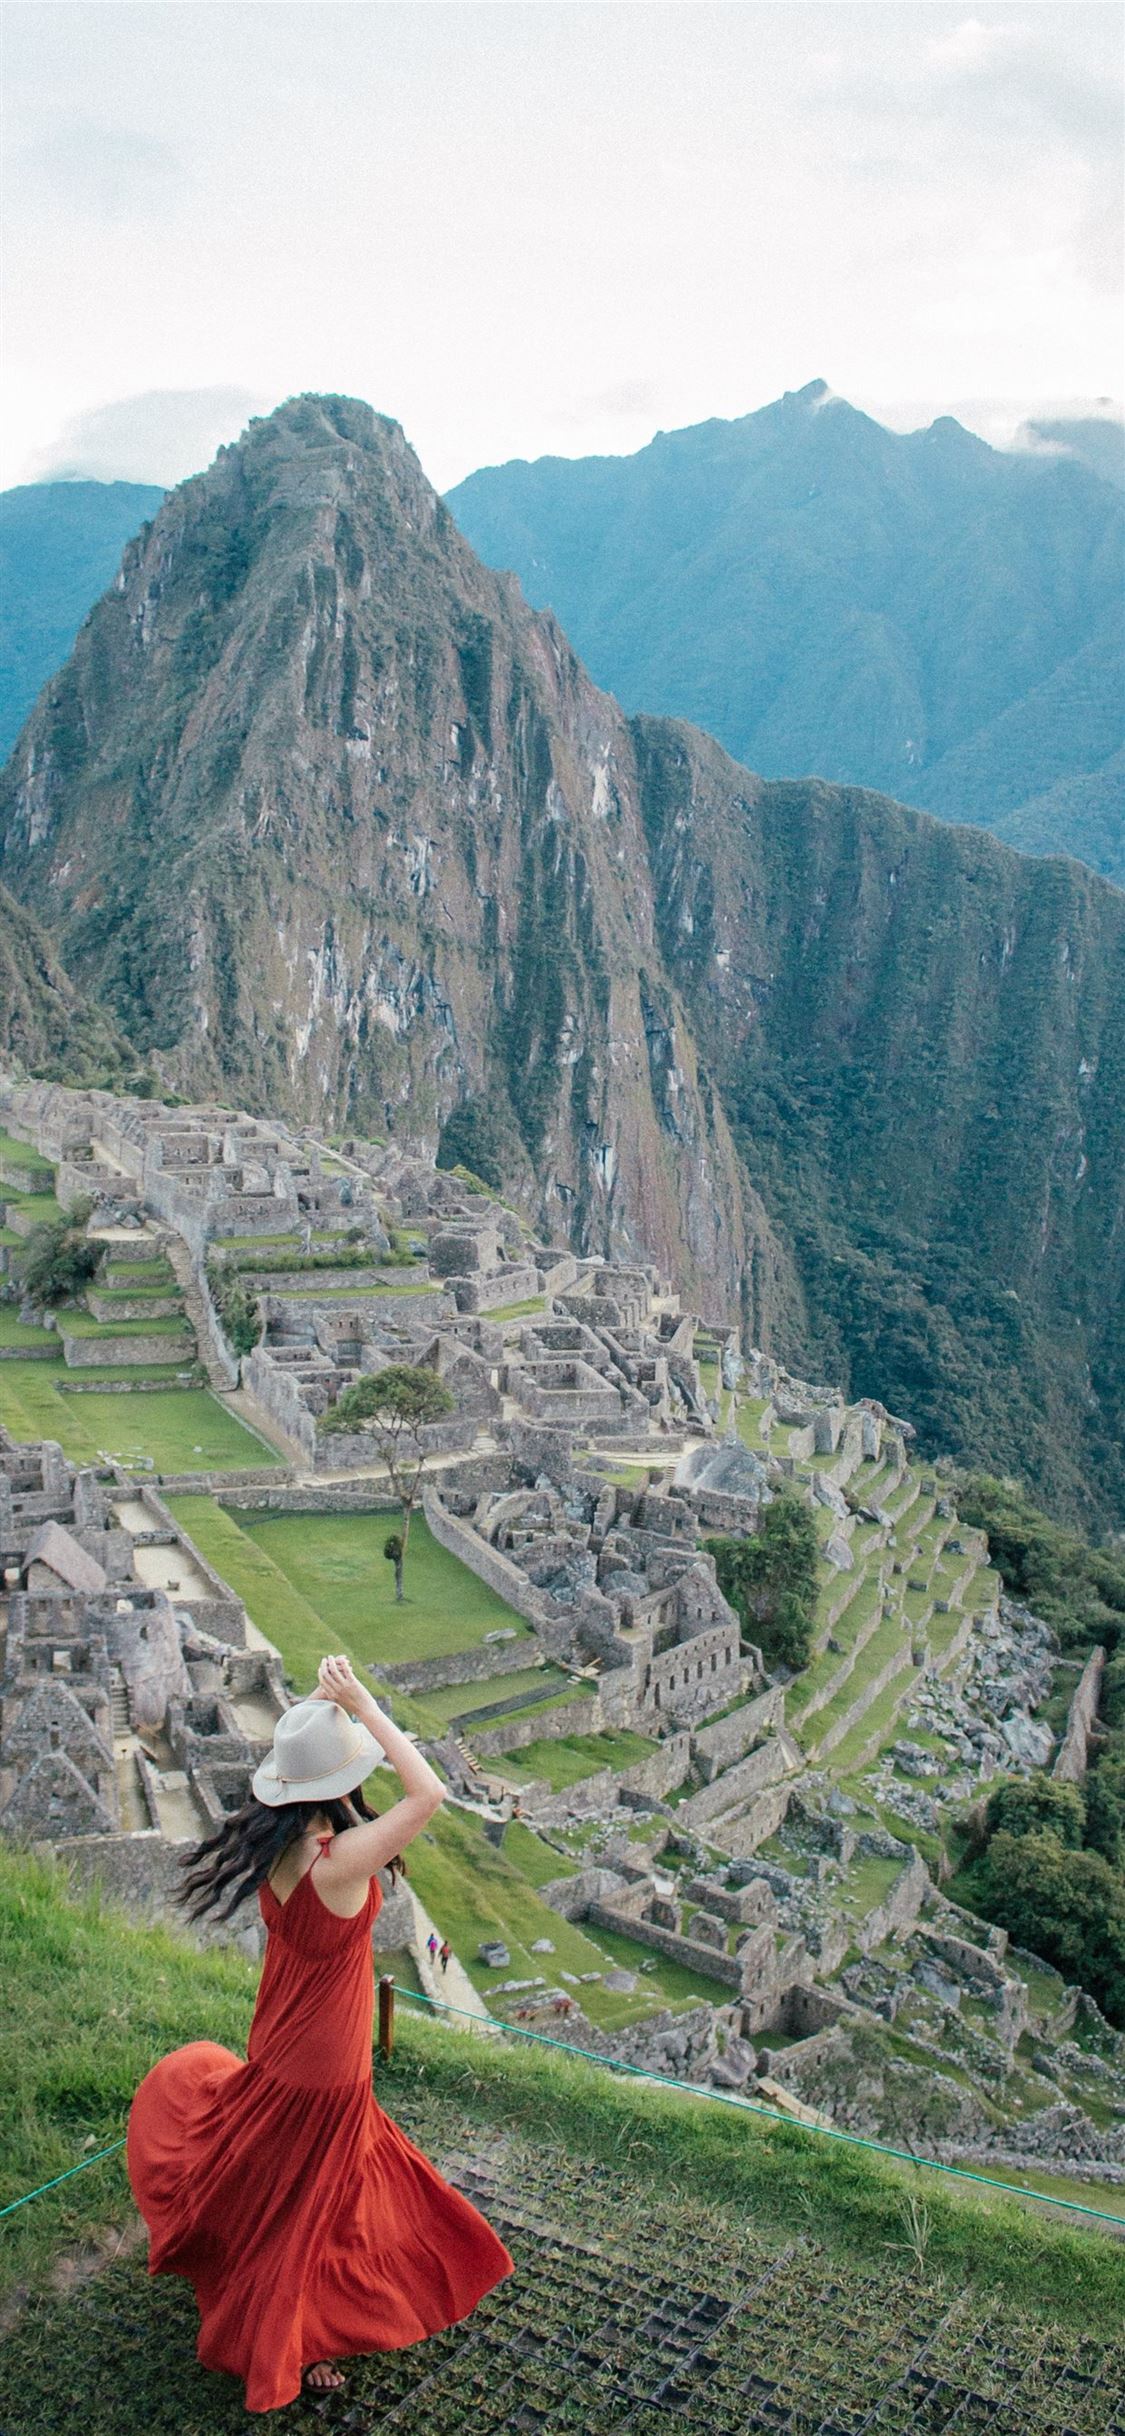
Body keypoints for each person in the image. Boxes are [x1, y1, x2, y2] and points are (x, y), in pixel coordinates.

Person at [126, 1654, 514, 2413]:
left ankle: (302, 2309)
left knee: (291, 2188)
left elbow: (311, 1767)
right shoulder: (336, 1865)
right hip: (324, 2067)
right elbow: (429, 1792)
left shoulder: (274, 1846)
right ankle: (294, 2336)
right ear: (335, 1785)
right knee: (312, 2208)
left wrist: (321, 1712)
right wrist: (364, 1705)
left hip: (281, 2042)